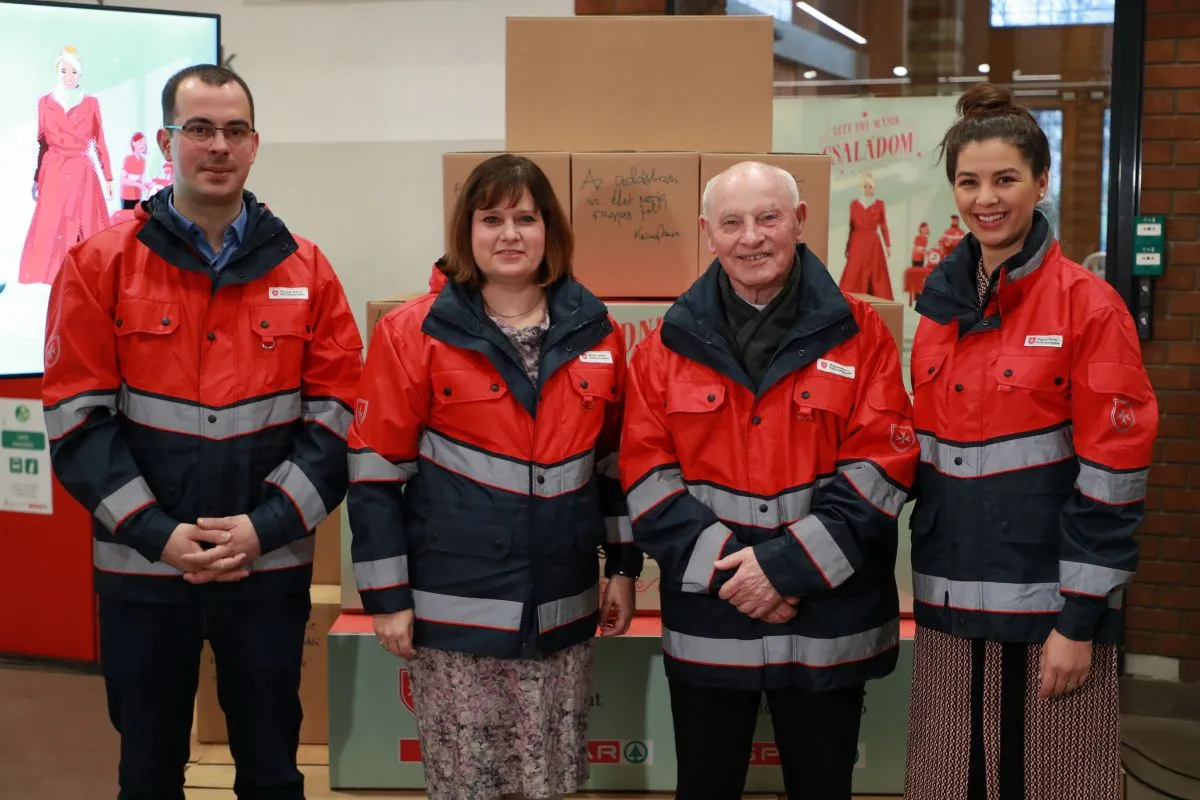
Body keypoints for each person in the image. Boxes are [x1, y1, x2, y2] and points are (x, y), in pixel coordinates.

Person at [40, 64, 363, 800]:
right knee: (148, 771)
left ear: (255, 146)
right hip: (143, 574)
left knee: (274, 770)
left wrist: (264, 527)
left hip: (268, 569)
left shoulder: (306, 270)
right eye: (199, 130)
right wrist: (159, 533)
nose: (217, 146)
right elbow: (77, 422)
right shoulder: (101, 265)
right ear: (166, 142)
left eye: (234, 130)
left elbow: (339, 418)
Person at [620, 161, 917, 800]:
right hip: (713, 619)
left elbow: (882, 469)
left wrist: (783, 570)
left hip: (826, 624)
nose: (751, 237)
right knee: (704, 786)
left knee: (822, 787)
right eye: (732, 223)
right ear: (708, 233)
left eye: (768, 217)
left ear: (800, 222)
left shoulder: (863, 337)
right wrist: (739, 572)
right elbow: (645, 476)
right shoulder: (662, 347)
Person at [347, 154, 640, 800]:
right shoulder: (411, 334)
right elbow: (373, 477)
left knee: (552, 779)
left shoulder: (599, 333)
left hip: (562, 610)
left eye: (526, 218)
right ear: (466, 233)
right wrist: (388, 598)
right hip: (456, 615)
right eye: (492, 219)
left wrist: (622, 568)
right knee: (468, 785)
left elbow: (614, 466)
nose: (509, 234)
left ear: (550, 234)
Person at [903, 83, 1158, 800]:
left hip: (1053, 617)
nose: (987, 199)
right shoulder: (937, 311)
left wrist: (1081, 620)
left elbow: (1114, 475)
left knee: (1053, 786)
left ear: (1041, 183)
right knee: (953, 784)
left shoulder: (1089, 307)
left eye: (1006, 179)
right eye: (969, 181)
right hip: (950, 609)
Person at [20, 46, 114, 286]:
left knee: (83, 223)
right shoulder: (45, 103)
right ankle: (51, 275)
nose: (68, 76)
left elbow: (100, 139)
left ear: (80, 74)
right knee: (52, 223)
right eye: (63, 70)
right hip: (54, 170)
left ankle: (82, 275)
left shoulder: (91, 103)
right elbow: (42, 143)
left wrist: (109, 177)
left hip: (82, 170)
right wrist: (35, 178)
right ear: (57, 72)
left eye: (74, 71)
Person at [838, 170, 893, 299]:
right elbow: (851, 227)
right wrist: (848, 247)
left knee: (876, 274)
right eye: (865, 186)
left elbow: (883, 225)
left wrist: (888, 245)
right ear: (861, 188)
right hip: (858, 241)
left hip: (873, 243)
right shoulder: (854, 204)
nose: (868, 189)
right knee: (854, 273)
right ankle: (848, 301)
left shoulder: (879, 204)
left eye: (871, 186)